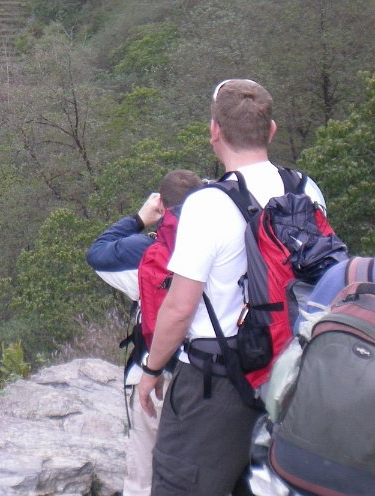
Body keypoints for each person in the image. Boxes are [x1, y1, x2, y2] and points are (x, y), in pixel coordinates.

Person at [137, 79, 325, 496]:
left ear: (215, 131)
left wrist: (151, 370)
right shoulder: (304, 189)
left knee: (181, 485)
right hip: (291, 374)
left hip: (215, 380)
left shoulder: (207, 204)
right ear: (271, 130)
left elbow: (179, 308)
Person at [86, 169, 204, 496]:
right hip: (213, 375)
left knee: (144, 474)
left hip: (158, 373)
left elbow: (97, 253)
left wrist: (139, 218)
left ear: (162, 205)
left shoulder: (145, 251)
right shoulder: (226, 240)